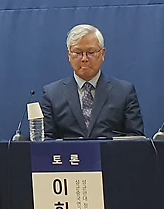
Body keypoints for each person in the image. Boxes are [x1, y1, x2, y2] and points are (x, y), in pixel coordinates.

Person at [15, 25, 143, 140]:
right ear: (69, 55)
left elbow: (136, 139)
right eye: (78, 53)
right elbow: (46, 140)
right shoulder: (52, 94)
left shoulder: (124, 92)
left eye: (91, 53)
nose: (84, 59)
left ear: (102, 54)